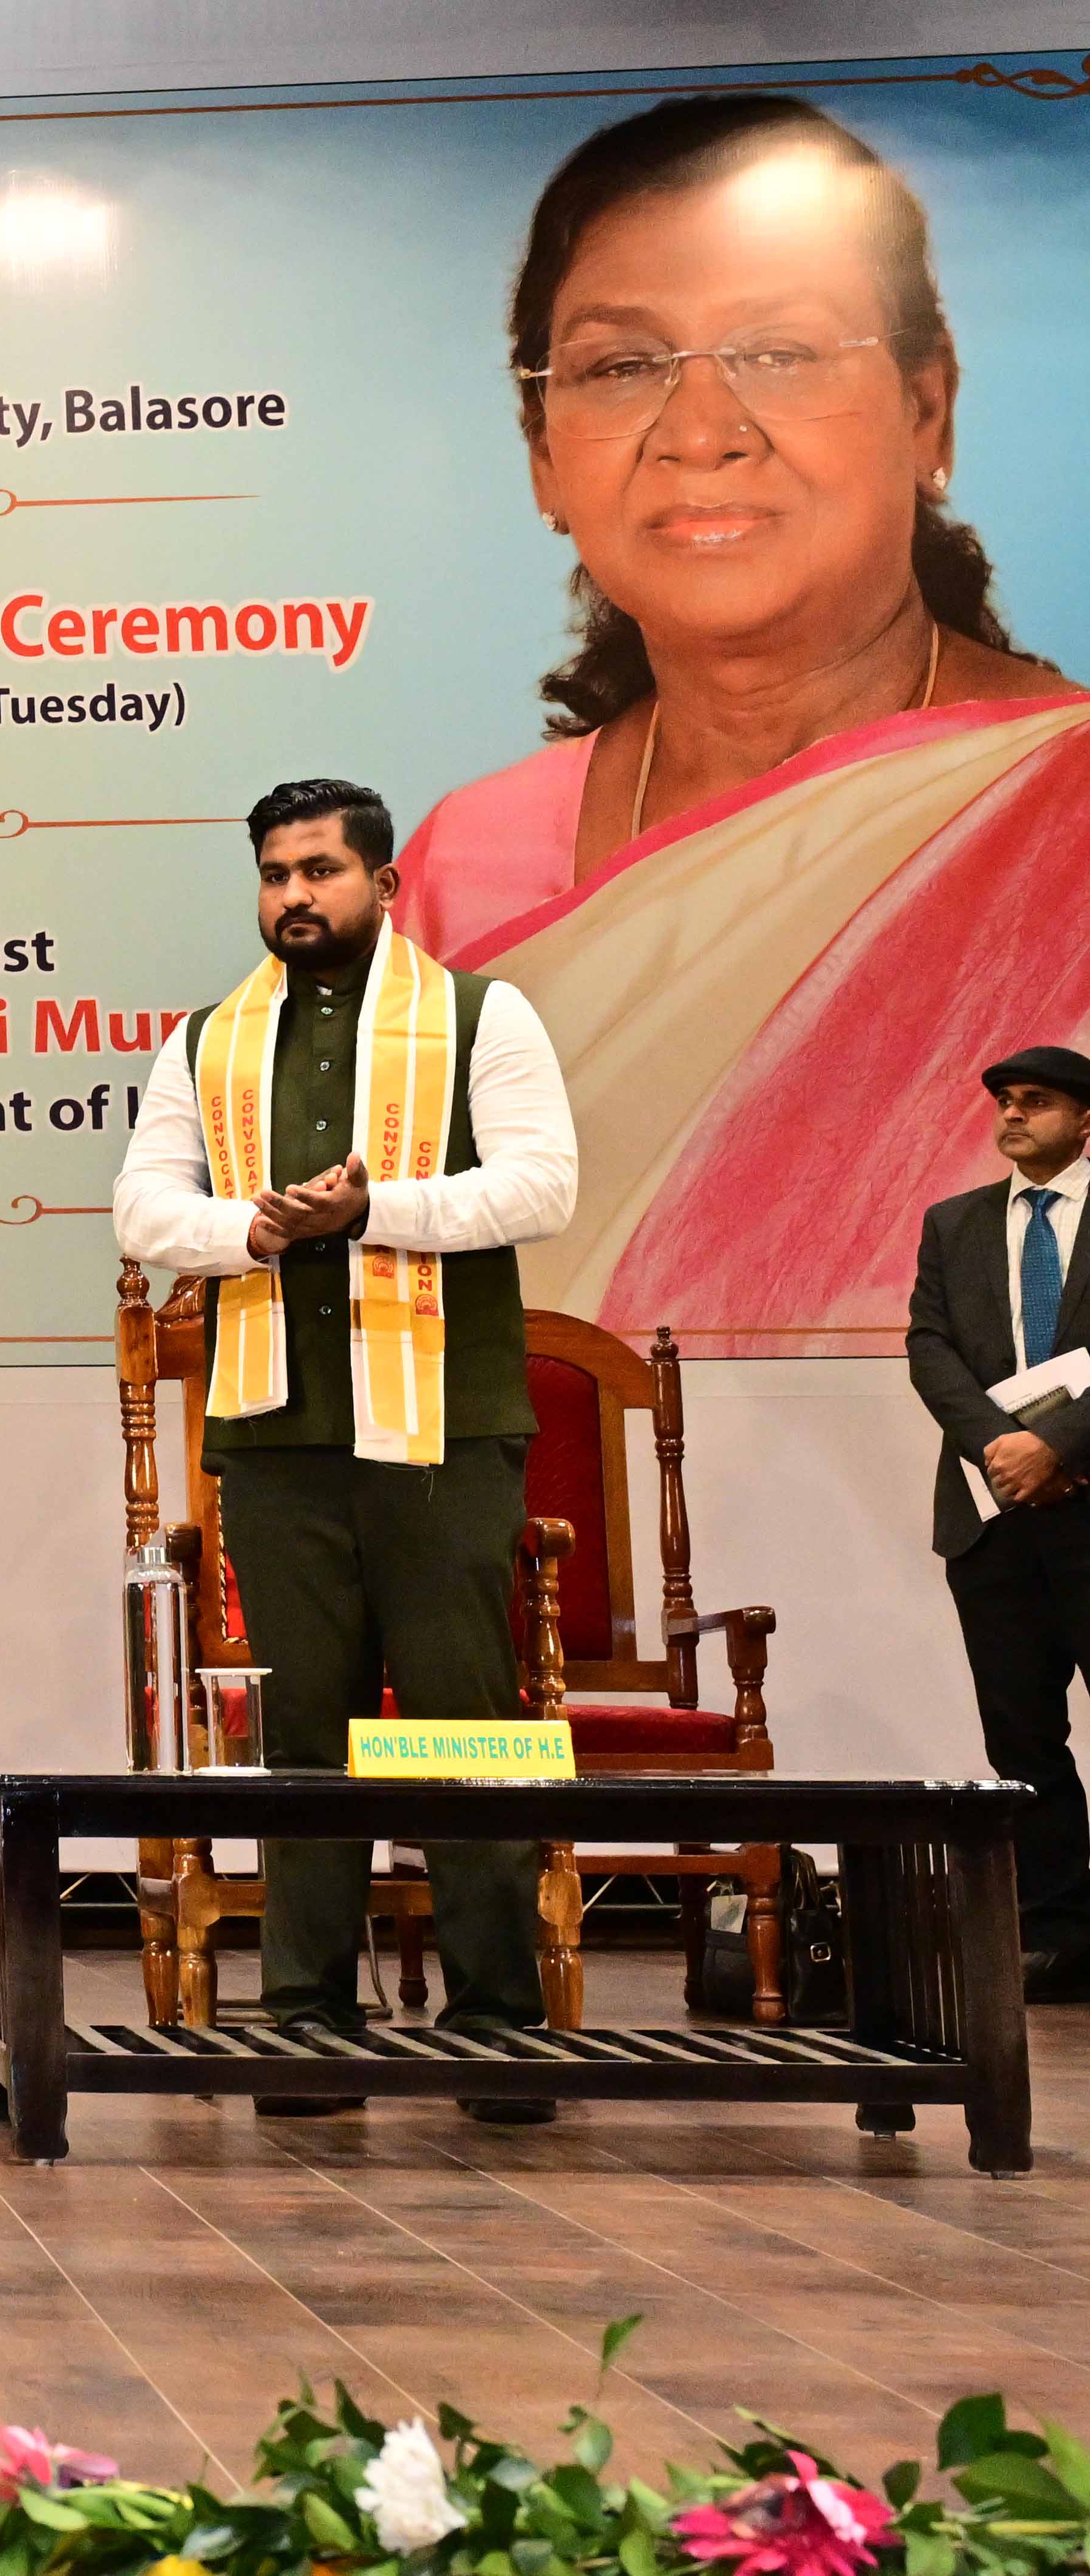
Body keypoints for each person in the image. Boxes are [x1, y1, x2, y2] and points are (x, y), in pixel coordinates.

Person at [399, 94, 1081, 1337]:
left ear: (929, 408)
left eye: (782, 352)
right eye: (620, 367)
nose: (702, 433)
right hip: (576, 1522)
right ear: (545, 455)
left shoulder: (1068, 801)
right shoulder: (471, 864)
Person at [111, 779, 579, 2122]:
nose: (293, 896)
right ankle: (306, 2021)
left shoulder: (485, 1015)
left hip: (441, 1428)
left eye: (319, 869)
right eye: (273, 873)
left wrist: (382, 1209)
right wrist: (249, 1232)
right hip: (275, 1433)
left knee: (460, 1720)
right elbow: (147, 1207)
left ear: (384, 883)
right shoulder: (209, 1039)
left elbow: (544, 1182)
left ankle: (496, 2024)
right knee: (299, 1730)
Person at [905, 1045, 1090, 2002]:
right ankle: (1060, 1933)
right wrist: (1002, 1450)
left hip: (1087, 1499)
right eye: (1007, 1103)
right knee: (1023, 1734)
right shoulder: (956, 1222)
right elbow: (929, 1348)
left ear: (1086, 1121)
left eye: (1038, 1101)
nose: (1014, 1116)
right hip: (992, 1515)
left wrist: (1058, 1446)